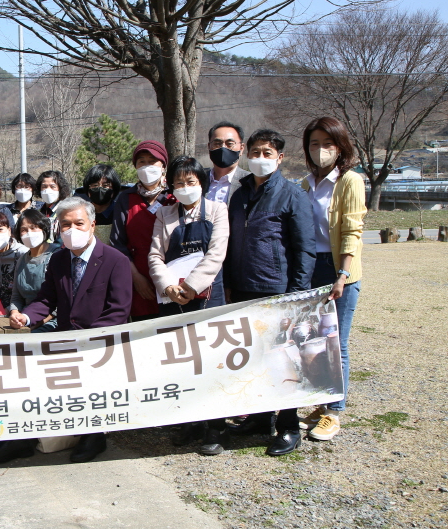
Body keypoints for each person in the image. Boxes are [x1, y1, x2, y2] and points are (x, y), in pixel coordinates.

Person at [6, 196, 132, 464]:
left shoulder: (115, 261)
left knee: (90, 392)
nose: (72, 230)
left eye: (79, 223)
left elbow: (119, 310)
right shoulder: (59, 259)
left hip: (99, 342)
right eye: (65, 225)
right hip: (64, 337)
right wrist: (26, 317)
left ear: (93, 225)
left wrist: (86, 340)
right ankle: (28, 437)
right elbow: (46, 299)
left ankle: (94, 436)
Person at [224, 129, 316, 457]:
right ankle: (260, 418)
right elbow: (232, 242)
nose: (260, 158)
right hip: (243, 289)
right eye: (255, 152)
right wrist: (231, 285)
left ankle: (289, 425)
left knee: (282, 358)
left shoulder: (292, 195)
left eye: (267, 153)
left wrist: (297, 295)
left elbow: (305, 250)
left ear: (280, 158)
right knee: (253, 358)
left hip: (277, 291)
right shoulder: (239, 195)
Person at [147, 156, 230, 455]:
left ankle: (214, 427)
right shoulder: (164, 214)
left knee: (210, 359)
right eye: (179, 183)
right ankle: (190, 421)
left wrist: (190, 286)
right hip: (172, 298)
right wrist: (168, 286)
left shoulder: (219, 210)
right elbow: (155, 255)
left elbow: (216, 254)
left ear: (202, 184)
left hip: (207, 295)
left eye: (191, 182)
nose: (185, 188)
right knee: (182, 360)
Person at [298, 117, 366, 442]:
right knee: (315, 340)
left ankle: (334, 411)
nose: (321, 150)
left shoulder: (350, 181)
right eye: (314, 144)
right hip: (312, 267)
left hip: (340, 270)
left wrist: (343, 274)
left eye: (328, 144)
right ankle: (321, 404)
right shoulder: (305, 183)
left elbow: (353, 229)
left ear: (340, 147)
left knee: (337, 343)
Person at [111, 140, 175, 321]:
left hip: (173, 275)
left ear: (163, 166)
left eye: (152, 161)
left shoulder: (174, 195)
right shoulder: (126, 198)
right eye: (142, 162)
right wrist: (137, 278)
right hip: (138, 278)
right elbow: (118, 244)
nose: (147, 166)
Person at [7, 208, 61, 333]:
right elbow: (16, 296)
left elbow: (60, 302)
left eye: (34, 227)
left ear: (44, 229)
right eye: (24, 230)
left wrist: (33, 325)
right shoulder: (21, 260)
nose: (29, 233)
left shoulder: (56, 256)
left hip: (51, 320)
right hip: (25, 318)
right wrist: (15, 314)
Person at [204, 121, 251, 204]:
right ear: (209, 147)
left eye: (229, 144)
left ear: (241, 148)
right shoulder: (198, 179)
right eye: (217, 143)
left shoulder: (250, 182)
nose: (223, 148)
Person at [76, 164, 122, 244]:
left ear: (114, 190)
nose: (100, 189)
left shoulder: (120, 213)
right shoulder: (81, 213)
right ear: (88, 190)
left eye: (105, 186)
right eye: (95, 185)